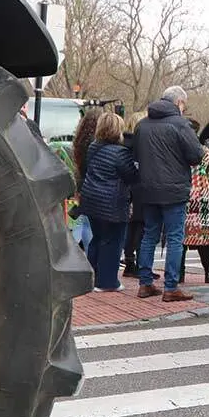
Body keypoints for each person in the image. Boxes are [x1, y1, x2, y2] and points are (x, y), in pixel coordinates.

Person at [133, 86, 203, 302]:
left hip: (148, 190)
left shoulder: (141, 126)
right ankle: (170, 287)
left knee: (149, 235)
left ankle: (145, 283)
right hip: (174, 190)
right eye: (184, 104)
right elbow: (196, 155)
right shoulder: (181, 124)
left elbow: (135, 154)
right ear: (179, 103)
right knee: (174, 237)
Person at [79, 112, 139, 291]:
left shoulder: (92, 147)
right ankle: (107, 282)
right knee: (112, 242)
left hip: (91, 200)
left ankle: (93, 279)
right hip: (112, 203)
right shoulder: (121, 153)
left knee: (97, 239)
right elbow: (132, 176)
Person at [179, 118, 209, 284]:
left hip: (183, 195)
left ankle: (179, 273)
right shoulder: (205, 152)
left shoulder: (178, 152)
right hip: (201, 196)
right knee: (204, 236)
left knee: (180, 235)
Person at [121, 111, 159, 280]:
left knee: (132, 228)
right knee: (142, 228)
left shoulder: (123, 143)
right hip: (140, 189)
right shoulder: (138, 144)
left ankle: (130, 262)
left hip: (129, 190)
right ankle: (140, 265)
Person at [71, 109, 101, 251]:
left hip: (82, 185)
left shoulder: (80, 143)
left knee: (84, 222)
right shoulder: (96, 144)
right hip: (94, 185)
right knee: (91, 227)